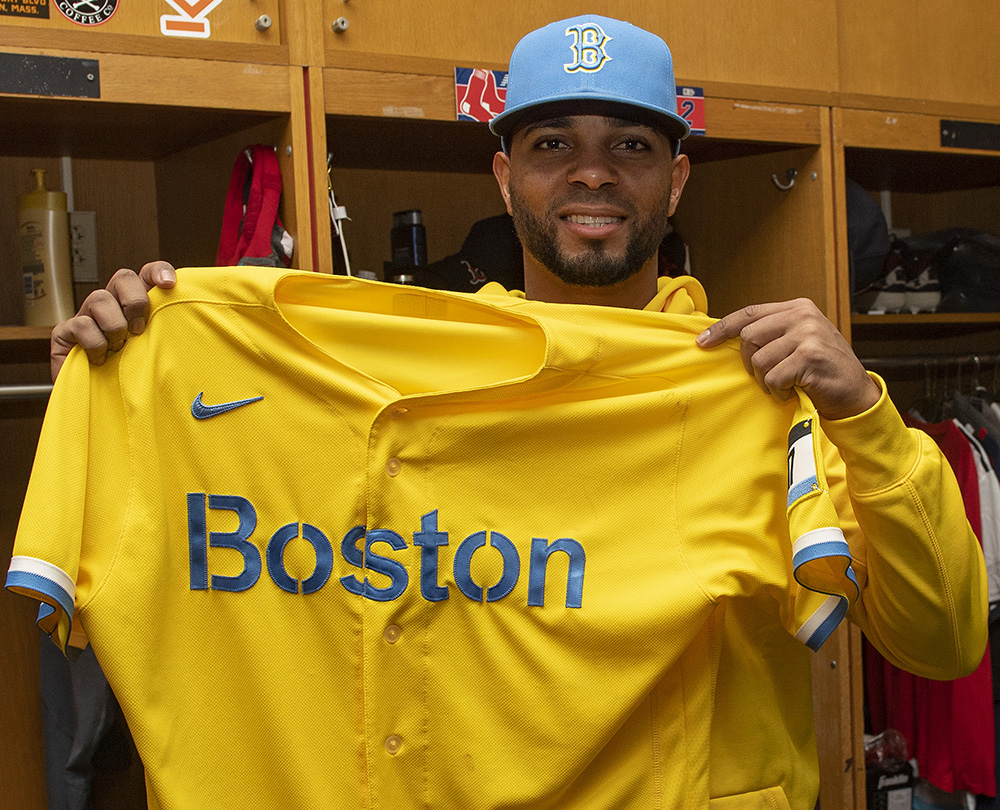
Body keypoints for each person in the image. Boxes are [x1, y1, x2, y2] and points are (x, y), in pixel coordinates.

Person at [11, 14, 986, 810]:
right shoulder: (402, 383)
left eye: (630, 147)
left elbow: (942, 641)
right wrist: (130, 384)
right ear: (504, 174)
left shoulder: (755, 391)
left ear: (676, 177)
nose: (591, 175)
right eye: (553, 144)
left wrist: (863, 412)